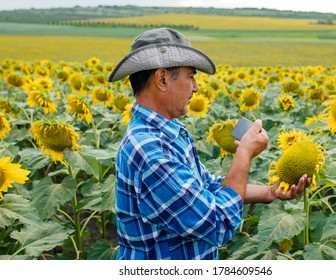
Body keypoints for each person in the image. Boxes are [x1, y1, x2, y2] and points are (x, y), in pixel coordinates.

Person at [109, 27, 311, 260]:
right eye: (191, 76)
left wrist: (270, 192)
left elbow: (205, 188)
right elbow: (216, 224)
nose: (196, 87)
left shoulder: (167, 132)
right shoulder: (150, 150)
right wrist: (244, 152)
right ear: (162, 78)